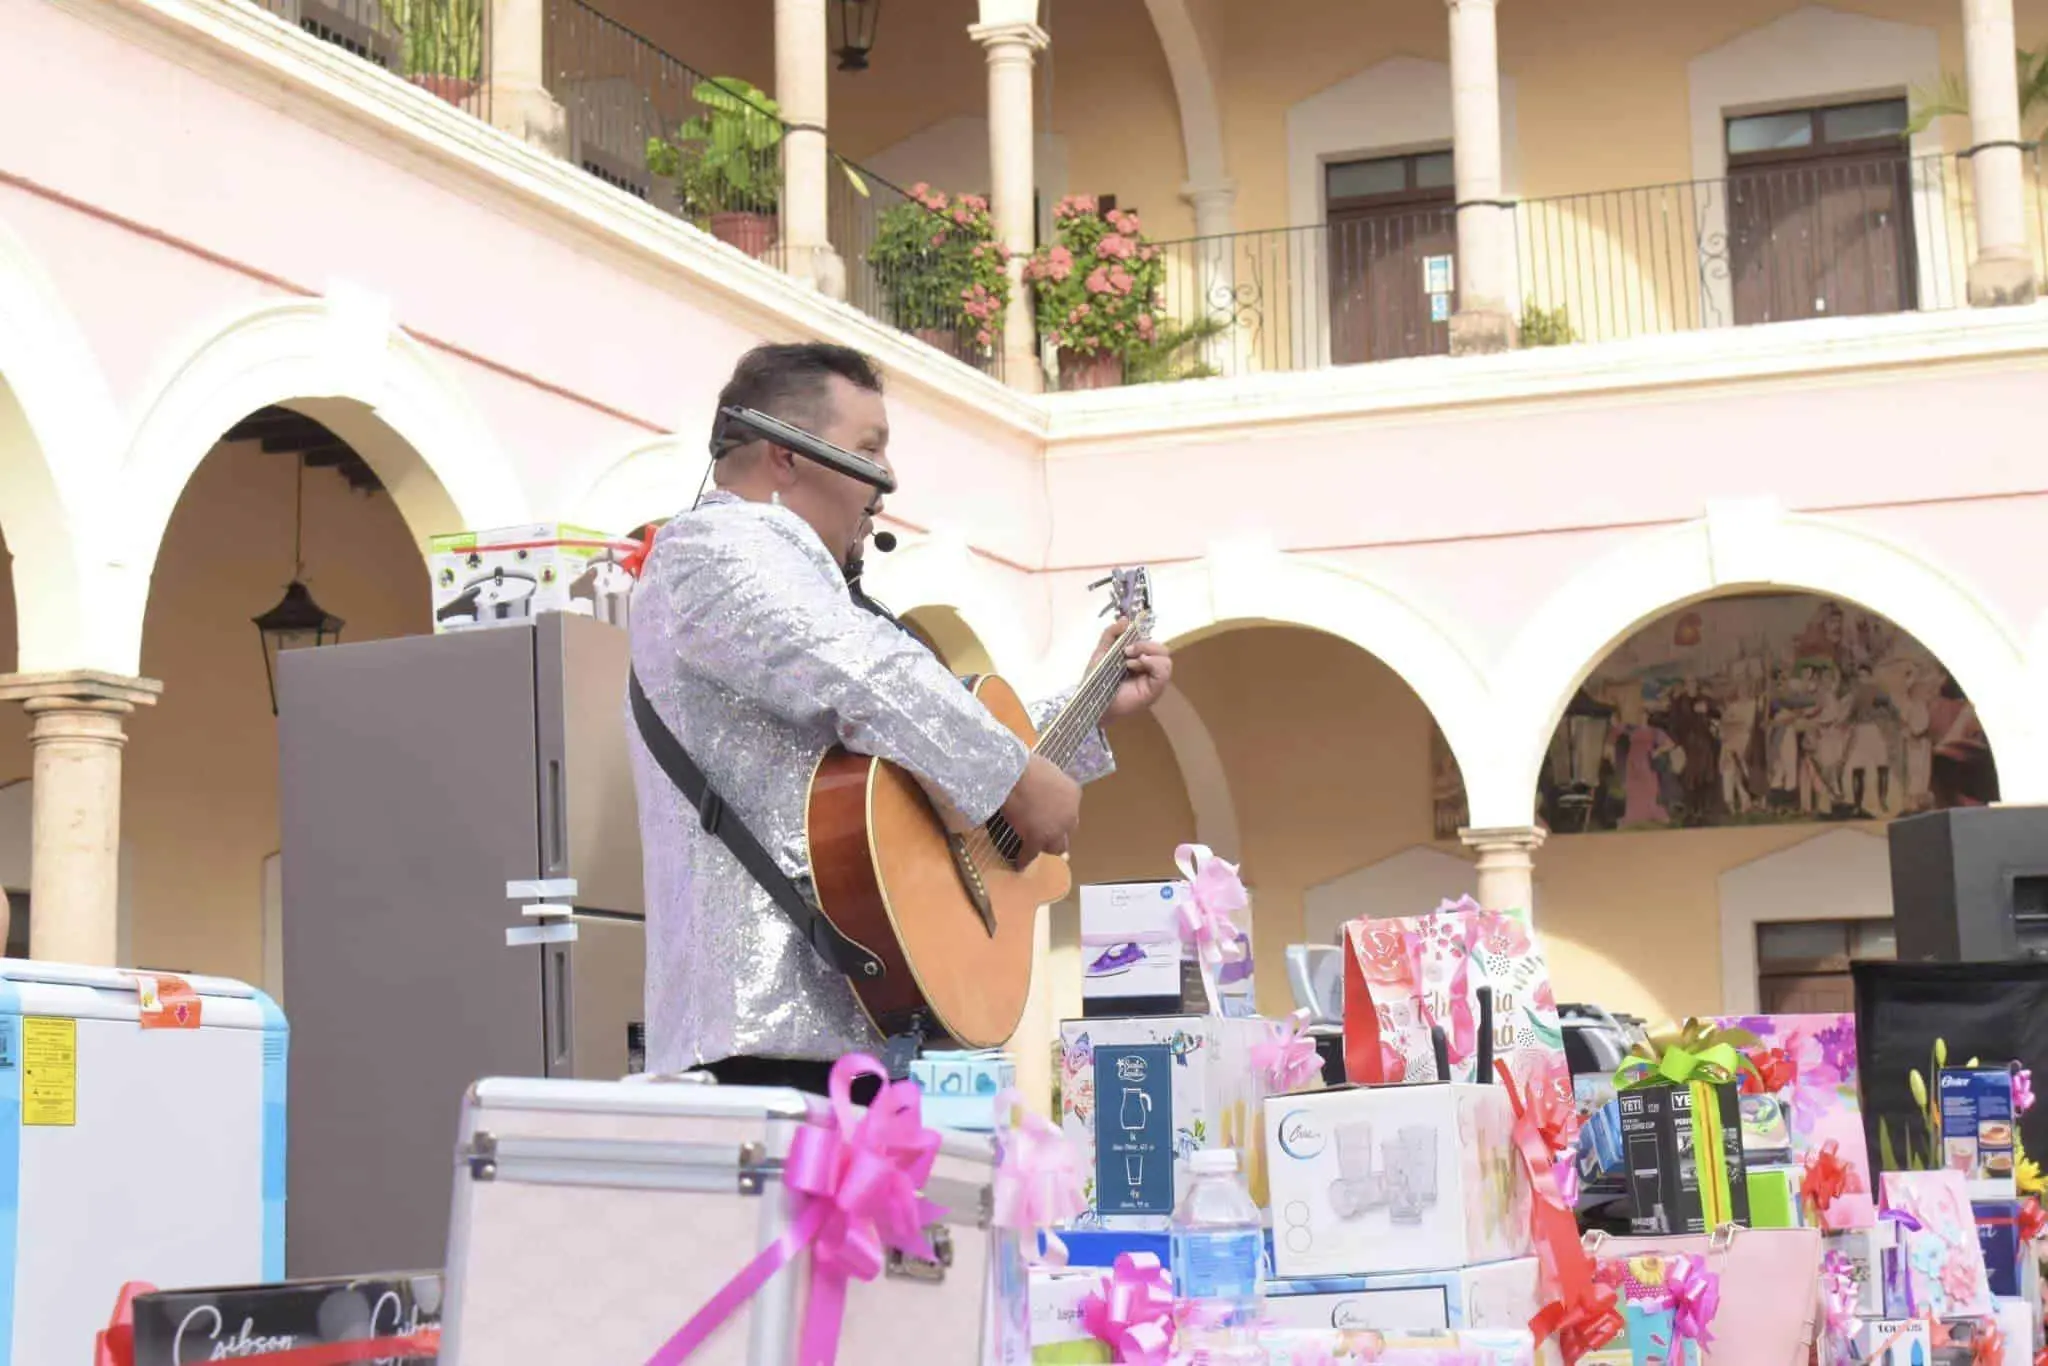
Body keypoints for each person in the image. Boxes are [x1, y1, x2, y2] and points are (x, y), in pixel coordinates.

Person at [627, 342, 1173, 1096]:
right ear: (786, 458)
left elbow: (907, 747)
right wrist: (1015, 777)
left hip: (841, 1037)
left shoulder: (801, 584)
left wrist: (1085, 710)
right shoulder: (715, 548)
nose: (885, 485)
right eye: (869, 452)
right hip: (758, 1052)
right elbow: (864, 674)